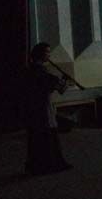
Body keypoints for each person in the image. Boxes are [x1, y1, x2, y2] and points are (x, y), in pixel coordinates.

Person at [23, 42, 72, 175]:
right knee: (48, 137)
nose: (49, 55)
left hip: (33, 109)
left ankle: (37, 166)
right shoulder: (40, 71)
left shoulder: (30, 70)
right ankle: (50, 165)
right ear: (41, 54)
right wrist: (65, 81)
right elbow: (60, 88)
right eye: (47, 52)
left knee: (37, 138)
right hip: (42, 109)